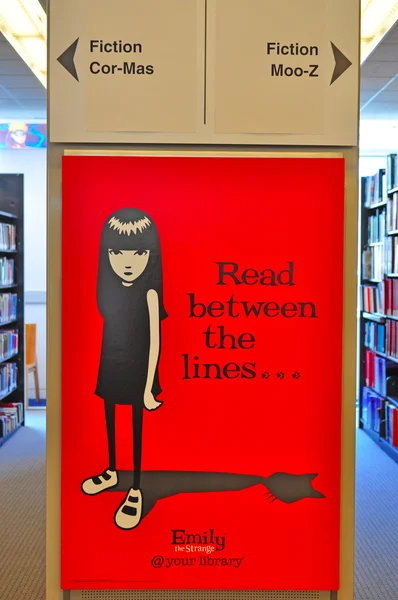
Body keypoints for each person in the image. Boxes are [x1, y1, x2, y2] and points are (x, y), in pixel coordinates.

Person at [81, 208, 167, 530]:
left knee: (135, 424)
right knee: (109, 416)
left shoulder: (149, 293)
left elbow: (155, 340)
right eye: (117, 252)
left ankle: (134, 488)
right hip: (111, 363)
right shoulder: (109, 289)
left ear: (151, 255)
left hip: (138, 368)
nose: (127, 262)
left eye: (139, 252)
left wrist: (148, 386)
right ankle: (112, 470)